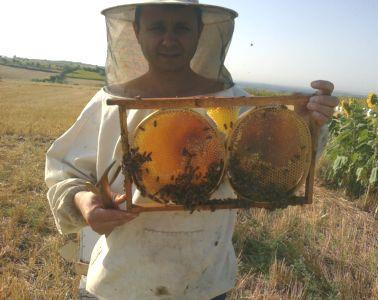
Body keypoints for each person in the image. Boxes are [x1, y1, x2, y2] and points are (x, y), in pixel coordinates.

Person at [45, 1, 339, 299]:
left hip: (204, 281)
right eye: (157, 27)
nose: (169, 39)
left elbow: (278, 167)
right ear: (137, 31)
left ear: (200, 32)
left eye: (182, 28)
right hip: (123, 279)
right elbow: (66, 171)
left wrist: (305, 123)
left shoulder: (236, 105)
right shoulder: (109, 103)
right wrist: (86, 203)